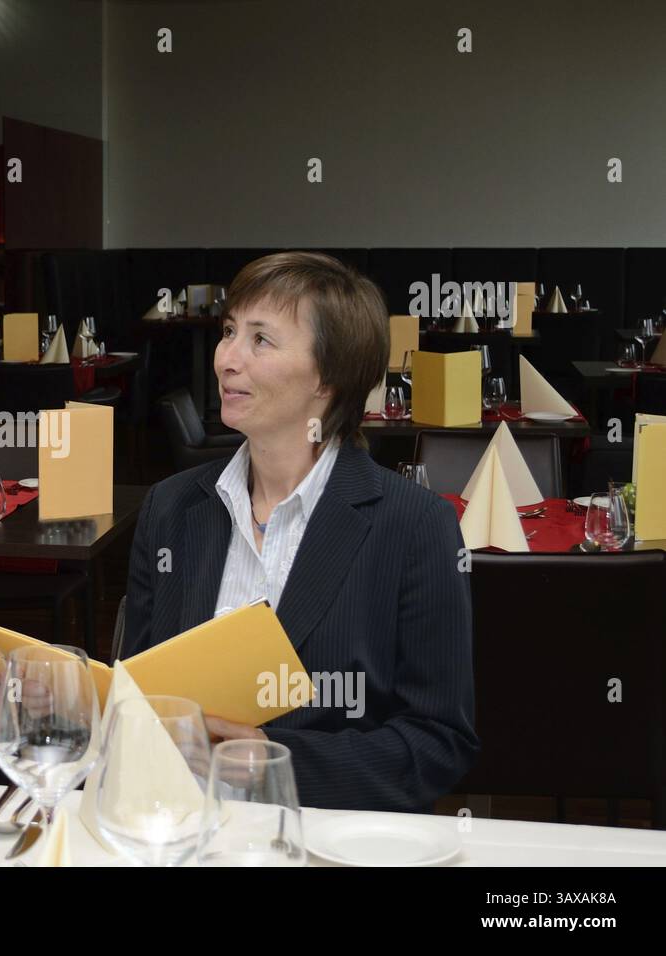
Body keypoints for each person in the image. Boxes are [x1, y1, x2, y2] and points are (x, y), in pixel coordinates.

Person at [121, 252, 479, 812]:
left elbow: (438, 744)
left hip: (329, 836)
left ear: (329, 378)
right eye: (229, 331)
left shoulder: (414, 527)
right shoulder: (172, 508)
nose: (226, 360)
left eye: (261, 340)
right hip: (180, 828)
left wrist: (274, 757)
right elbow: (136, 697)